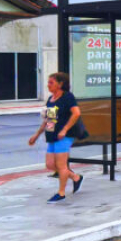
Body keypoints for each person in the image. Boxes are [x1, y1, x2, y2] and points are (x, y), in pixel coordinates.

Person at [28, 72, 84, 203]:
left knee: (61, 166)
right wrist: (37, 135)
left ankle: (61, 193)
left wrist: (64, 129)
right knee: (50, 164)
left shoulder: (67, 97)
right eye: (48, 82)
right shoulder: (51, 99)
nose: (48, 85)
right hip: (52, 135)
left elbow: (76, 113)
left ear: (60, 84)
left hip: (64, 136)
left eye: (51, 83)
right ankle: (76, 177)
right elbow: (49, 119)